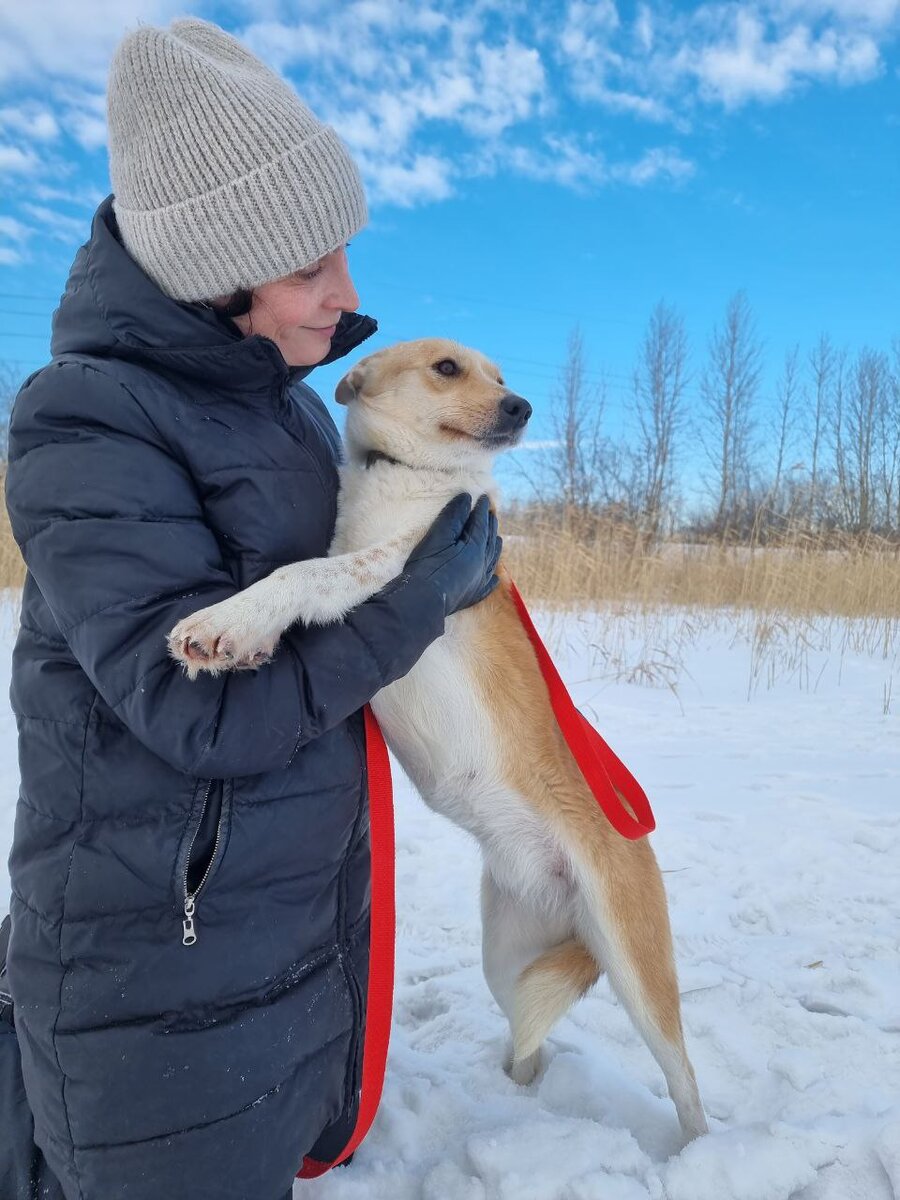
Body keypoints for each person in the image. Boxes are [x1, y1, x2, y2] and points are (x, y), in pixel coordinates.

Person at [0, 18, 500, 1200]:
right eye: (310, 263)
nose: (349, 293)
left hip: (284, 948)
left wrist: (444, 566)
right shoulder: (84, 419)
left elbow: (327, 623)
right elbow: (198, 712)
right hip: (152, 982)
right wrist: (408, 605)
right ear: (211, 270)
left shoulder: (288, 410)